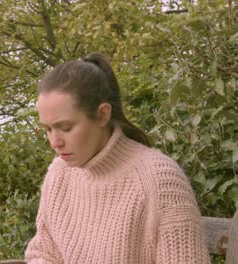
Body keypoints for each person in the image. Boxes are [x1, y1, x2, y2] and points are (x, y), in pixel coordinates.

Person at [24, 52, 210, 264]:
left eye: (65, 128)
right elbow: (43, 252)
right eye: (47, 129)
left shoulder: (160, 180)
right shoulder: (59, 175)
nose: (55, 142)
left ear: (102, 115)